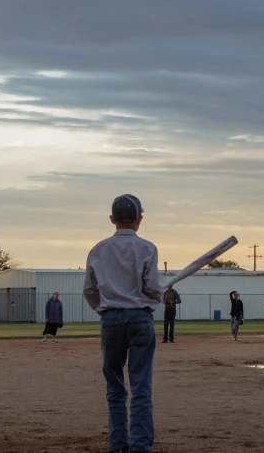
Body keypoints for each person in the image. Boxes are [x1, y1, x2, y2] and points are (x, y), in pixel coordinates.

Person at [84, 194, 162, 453]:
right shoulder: (147, 248)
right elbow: (151, 287)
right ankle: (140, 447)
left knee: (115, 387)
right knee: (141, 387)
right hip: (140, 318)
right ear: (139, 219)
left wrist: (104, 311)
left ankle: (118, 446)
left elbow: (90, 290)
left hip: (110, 321)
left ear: (112, 219)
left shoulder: (98, 249)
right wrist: (158, 296)